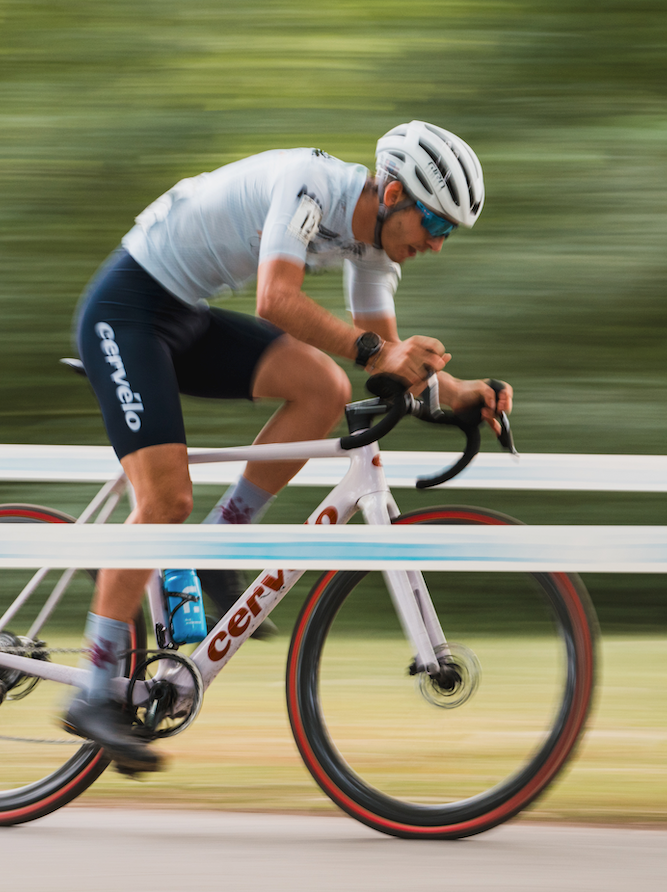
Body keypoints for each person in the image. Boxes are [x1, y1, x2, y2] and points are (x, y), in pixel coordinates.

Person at [65, 120, 513, 773]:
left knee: (322, 388)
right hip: (126, 310)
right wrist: (382, 351)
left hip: (184, 315)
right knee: (164, 499)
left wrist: (463, 391)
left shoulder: (376, 252)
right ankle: (91, 688)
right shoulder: (312, 184)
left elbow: (382, 368)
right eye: (436, 226)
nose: (438, 246)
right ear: (393, 196)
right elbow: (275, 299)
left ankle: (221, 542)